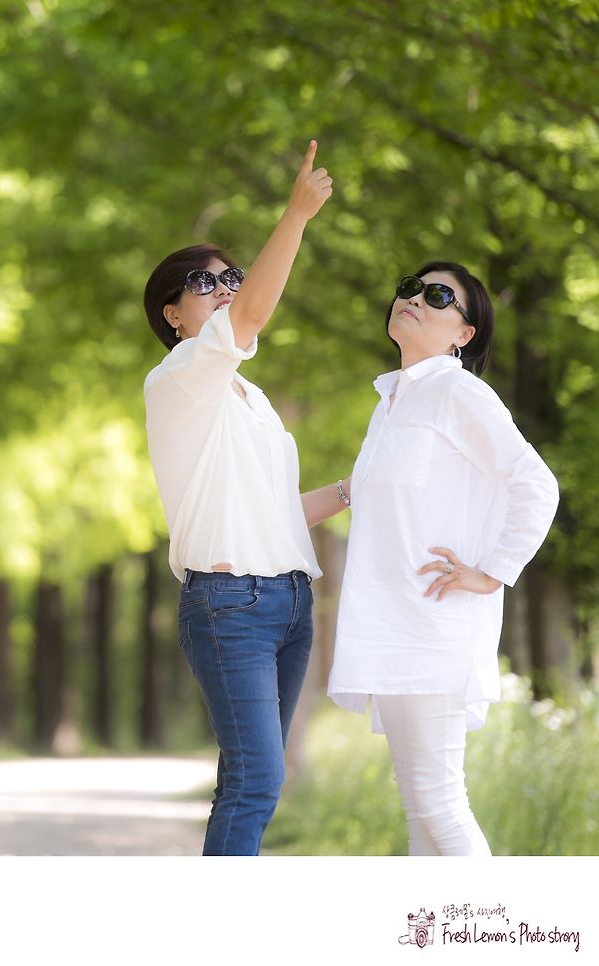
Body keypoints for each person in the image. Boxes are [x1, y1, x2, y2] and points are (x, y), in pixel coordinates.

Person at [143, 141, 350, 855]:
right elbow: (253, 316)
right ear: (174, 315)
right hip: (230, 604)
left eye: (231, 276)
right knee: (258, 779)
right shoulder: (180, 378)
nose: (227, 287)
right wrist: (296, 215)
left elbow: (277, 514)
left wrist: (352, 489)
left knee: (249, 780)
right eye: (206, 283)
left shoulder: (251, 398)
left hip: (289, 602)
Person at [327, 262, 559, 856]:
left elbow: (537, 483)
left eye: (437, 296)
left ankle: (489, 916)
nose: (414, 299)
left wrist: (494, 573)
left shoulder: (458, 392)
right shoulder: (391, 401)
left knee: (441, 805)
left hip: (435, 630)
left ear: (464, 333)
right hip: (391, 627)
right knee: (418, 812)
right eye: (409, 287)